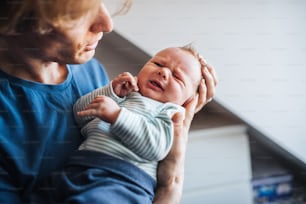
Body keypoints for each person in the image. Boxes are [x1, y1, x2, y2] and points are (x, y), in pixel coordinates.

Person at [0, 0, 217, 203]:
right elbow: (85, 116)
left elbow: (104, 125)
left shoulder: (91, 71)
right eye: (77, 15)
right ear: (14, 20)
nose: (107, 24)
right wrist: (169, 189)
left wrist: (174, 166)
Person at [44, 45, 204, 203]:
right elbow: (80, 114)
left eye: (177, 76)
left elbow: (155, 148)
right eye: (158, 64)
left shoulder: (169, 113)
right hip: (78, 167)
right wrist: (111, 91)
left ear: (188, 100)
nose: (163, 72)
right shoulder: (125, 93)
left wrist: (116, 115)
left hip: (123, 181)